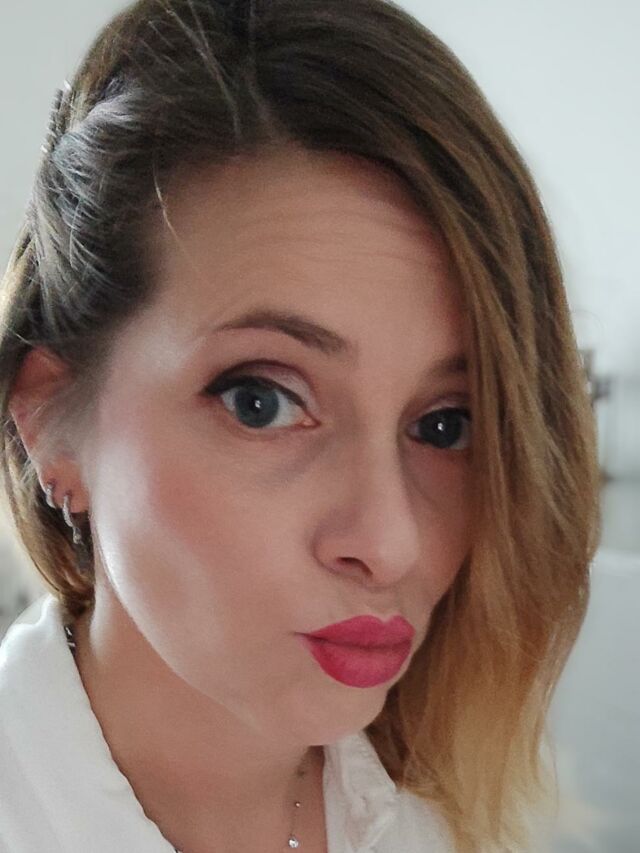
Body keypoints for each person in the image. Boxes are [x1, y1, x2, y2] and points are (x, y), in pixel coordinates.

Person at [0, 0, 601, 851]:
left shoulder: (439, 820)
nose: (389, 544)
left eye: (446, 425)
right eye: (262, 401)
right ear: (49, 423)